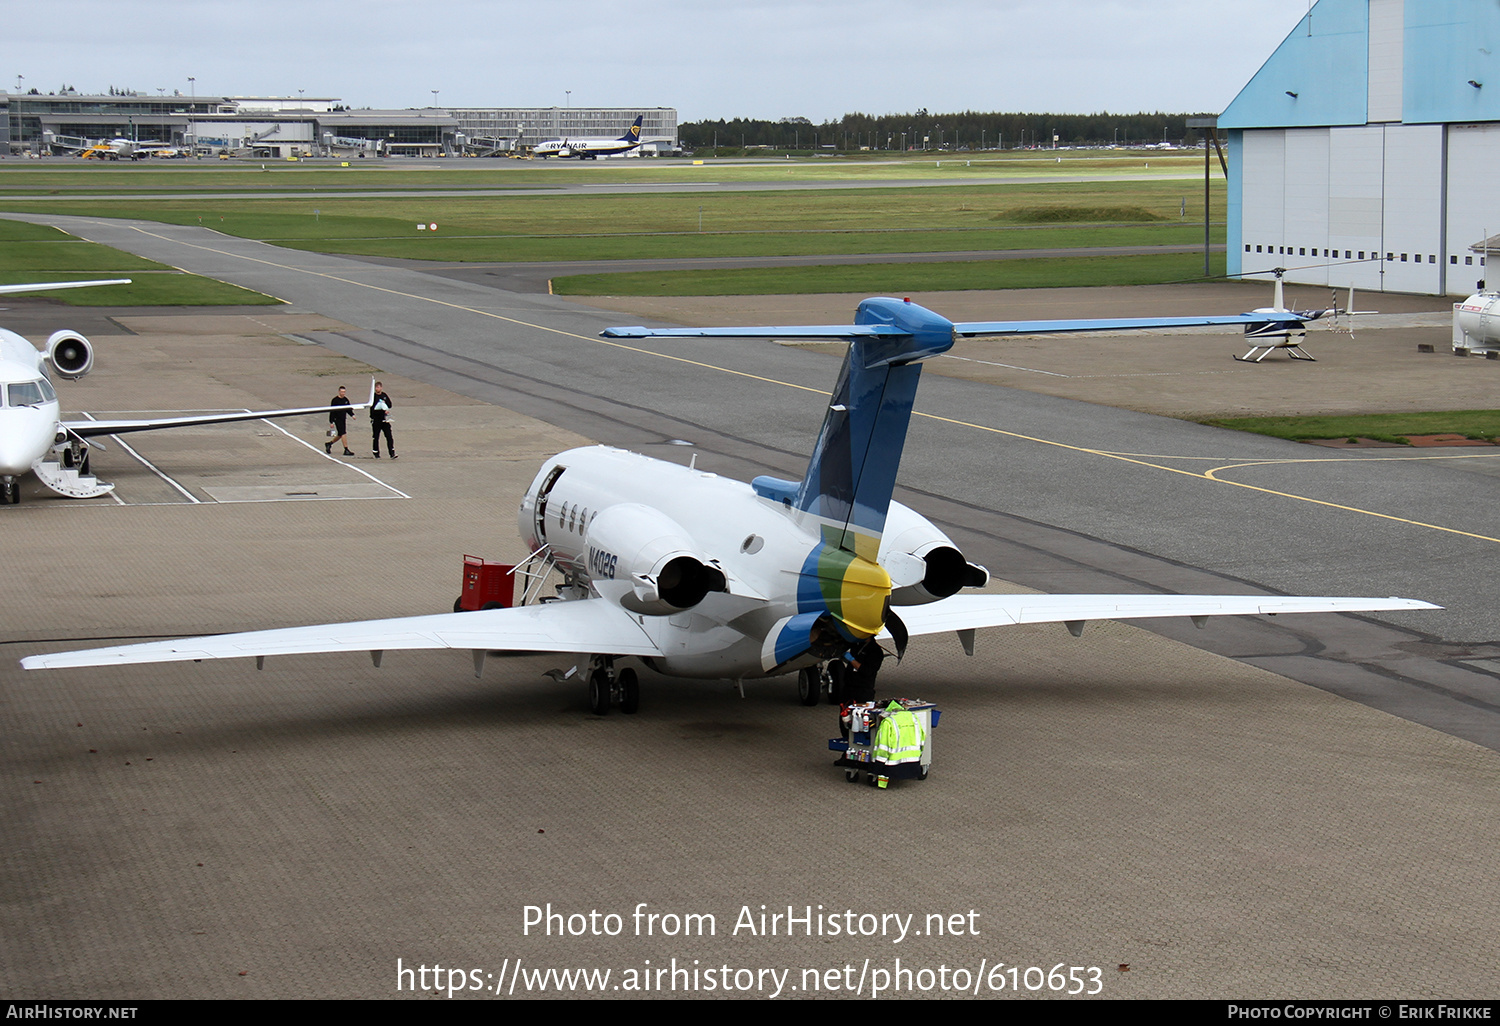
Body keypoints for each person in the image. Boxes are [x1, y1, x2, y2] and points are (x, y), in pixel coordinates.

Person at [370, 381, 397, 459]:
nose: (378, 389)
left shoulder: (384, 395)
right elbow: (371, 408)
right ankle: (376, 452)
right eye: (376, 387)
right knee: (376, 436)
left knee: (389, 436)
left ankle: (392, 453)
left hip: (384, 419)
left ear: (381, 387)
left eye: (379, 387)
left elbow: (389, 404)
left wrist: (386, 408)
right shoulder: (373, 397)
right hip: (376, 419)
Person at [325, 385, 354, 456]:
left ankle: (329, 443)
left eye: (344, 392)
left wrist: (352, 415)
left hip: (343, 419)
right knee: (343, 433)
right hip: (337, 419)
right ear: (339, 392)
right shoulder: (335, 400)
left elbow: (348, 409)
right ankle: (346, 449)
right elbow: (332, 411)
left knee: (340, 434)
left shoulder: (346, 400)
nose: (343, 393)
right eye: (342, 392)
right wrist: (331, 421)